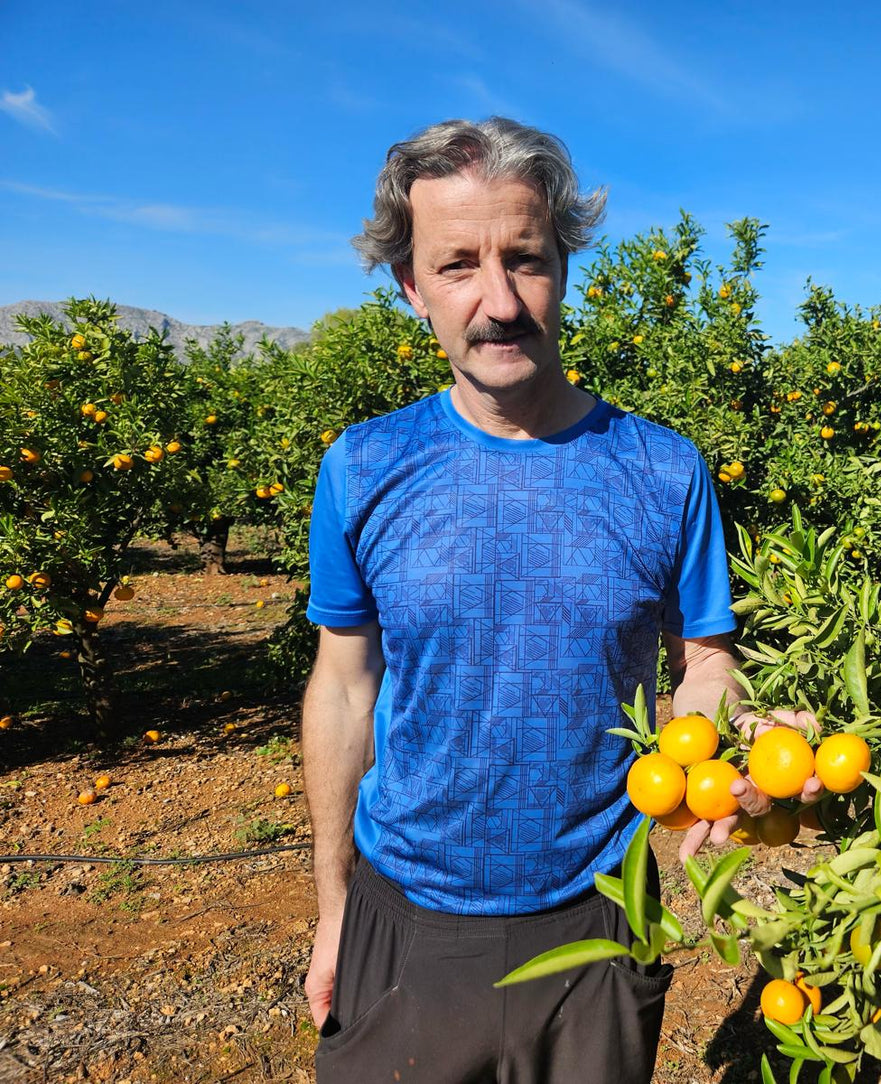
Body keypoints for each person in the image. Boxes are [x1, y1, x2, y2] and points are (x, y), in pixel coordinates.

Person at [300, 116, 820, 1084]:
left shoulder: (661, 470)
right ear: (411, 288)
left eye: (525, 259)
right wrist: (333, 912)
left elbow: (703, 660)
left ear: (564, 268)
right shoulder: (364, 464)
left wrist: (722, 746)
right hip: (405, 916)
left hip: (599, 917)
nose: (499, 301)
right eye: (457, 265)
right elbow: (342, 686)